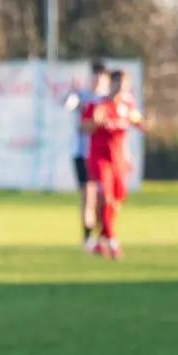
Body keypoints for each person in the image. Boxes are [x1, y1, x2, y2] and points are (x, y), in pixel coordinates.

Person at [81, 69, 145, 260]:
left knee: (116, 202)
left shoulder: (127, 105)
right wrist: (94, 123)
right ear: (111, 83)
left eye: (124, 84)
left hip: (118, 160)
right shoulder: (98, 104)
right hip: (100, 158)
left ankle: (99, 241)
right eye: (117, 83)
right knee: (106, 198)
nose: (120, 87)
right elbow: (83, 128)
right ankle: (113, 243)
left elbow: (139, 123)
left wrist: (143, 121)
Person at [62, 61, 110, 249]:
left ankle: (103, 235)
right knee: (87, 196)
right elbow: (66, 105)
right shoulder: (82, 96)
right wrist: (72, 91)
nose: (98, 79)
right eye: (95, 75)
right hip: (83, 154)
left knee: (103, 198)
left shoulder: (107, 100)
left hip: (103, 155)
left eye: (101, 75)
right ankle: (87, 237)